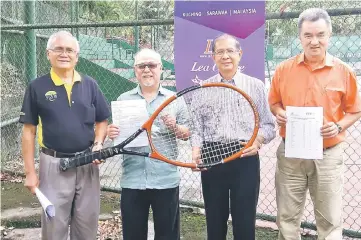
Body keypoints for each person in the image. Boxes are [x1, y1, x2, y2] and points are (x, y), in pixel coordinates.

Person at [268, 8, 361, 240]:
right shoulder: (283, 70)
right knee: (287, 217)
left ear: (329, 35)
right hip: (291, 153)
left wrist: (338, 126)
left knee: (329, 220)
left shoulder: (344, 71)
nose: (314, 41)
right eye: (308, 35)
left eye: (320, 34)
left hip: (328, 153)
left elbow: (355, 110)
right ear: (300, 37)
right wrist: (279, 113)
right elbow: (274, 103)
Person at [19, 30, 110, 240]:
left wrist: (98, 144)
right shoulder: (36, 87)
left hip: (87, 164)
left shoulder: (90, 85)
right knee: (54, 228)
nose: (64, 54)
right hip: (53, 165)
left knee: (87, 227)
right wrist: (30, 172)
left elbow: (102, 120)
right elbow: (28, 132)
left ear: (77, 56)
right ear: (48, 54)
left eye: (70, 50)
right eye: (58, 49)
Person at [191, 34, 276, 240]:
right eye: (220, 52)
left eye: (230, 51)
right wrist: (196, 150)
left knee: (245, 221)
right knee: (214, 220)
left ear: (240, 54)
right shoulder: (203, 88)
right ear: (213, 57)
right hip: (212, 156)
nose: (225, 56)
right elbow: (196, 127)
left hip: (244, 156)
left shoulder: (255, 86)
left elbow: (269, 125)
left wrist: (257, 142)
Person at [107, 48, 189, 240]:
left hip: (165, 179)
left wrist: (175, 126)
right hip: (133, 179)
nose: (146, 70)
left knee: (168, 235)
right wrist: (113, 133)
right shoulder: (123, 100)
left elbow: (186, 134)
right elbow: (120, 139)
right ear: (135, 70)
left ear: (160, 69)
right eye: (141, 66)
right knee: (133, 235)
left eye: (151, 65)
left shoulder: (174, 99)